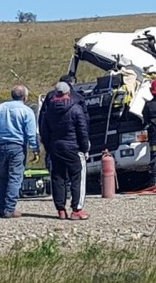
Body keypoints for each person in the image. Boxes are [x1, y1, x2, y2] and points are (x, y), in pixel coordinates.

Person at [0, 85, 40, 218]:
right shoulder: (27, 111)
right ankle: (9, 208)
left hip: (1, 146)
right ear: (24, 97)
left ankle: (0, 207)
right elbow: (31, 133)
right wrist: (35, 149)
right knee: (15, 177)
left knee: (3, 176)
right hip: (17, 146)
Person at [40, 82, 90, 220]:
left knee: (58, 177)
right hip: (73, 147)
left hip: (56, 147)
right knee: (77, 177)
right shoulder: (76, 109)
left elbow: (44, 130)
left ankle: (61, 209)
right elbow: (83, 131)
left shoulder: (49, 109)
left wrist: (49, 147)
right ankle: (77, 209)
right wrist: (84, 148)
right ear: (69, 92)